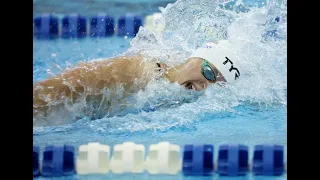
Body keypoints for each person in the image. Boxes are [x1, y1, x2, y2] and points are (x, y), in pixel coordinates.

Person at [33, 40, 241, 126]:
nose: (206, 85)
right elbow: (60, 87)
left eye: (217, 83)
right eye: (208, 72)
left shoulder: (178, 99)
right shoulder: (139, 70)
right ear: (193, 58)